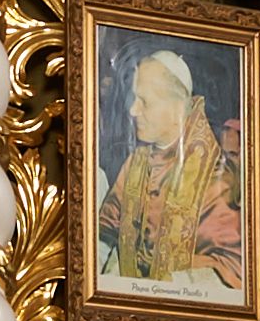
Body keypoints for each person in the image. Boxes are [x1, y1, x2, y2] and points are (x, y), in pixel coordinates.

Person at [98, 51, 243, 291]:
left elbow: (230, 272)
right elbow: (106, 235)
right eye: (134, 99)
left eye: (144, 101)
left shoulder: (218, 180)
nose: (133, 110)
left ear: (176, 109)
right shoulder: (135, 163)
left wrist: (161, 288)